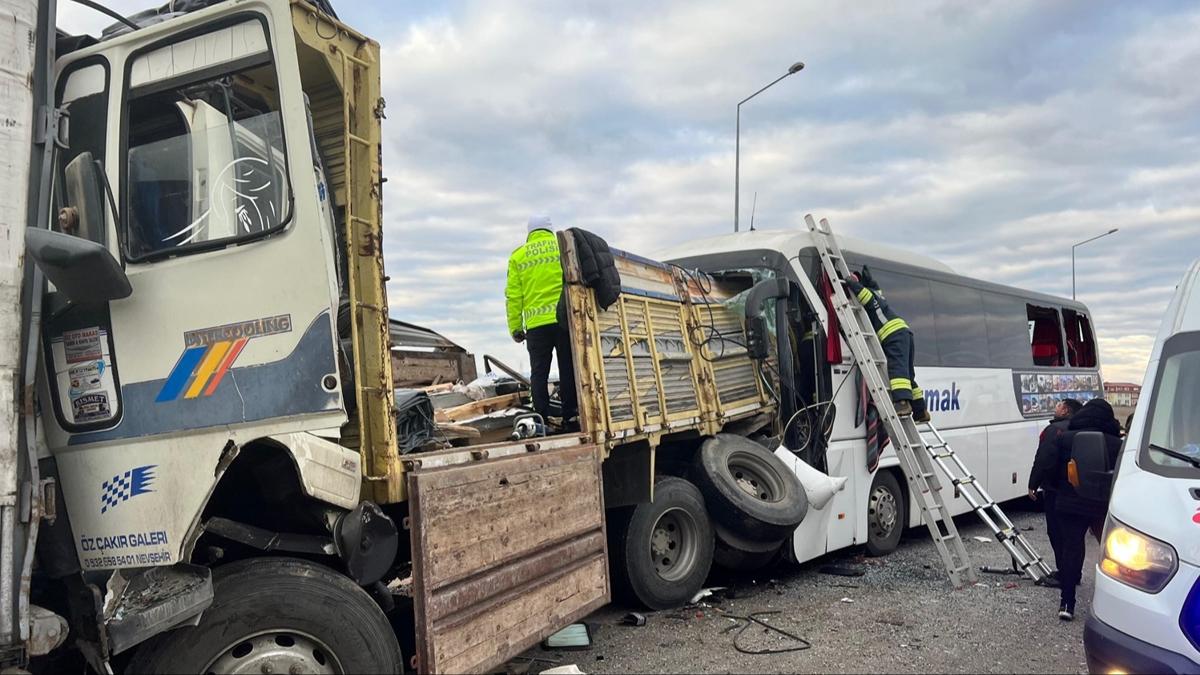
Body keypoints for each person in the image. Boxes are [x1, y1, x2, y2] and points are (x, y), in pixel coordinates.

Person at [1051, 398, 1122, 621]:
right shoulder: (1118, 444)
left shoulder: (1066, 439)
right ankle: (1112, 604)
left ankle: (1067, 602)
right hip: (1101, 505)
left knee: (1071, 550)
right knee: (1112, 552)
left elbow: (1054, 469)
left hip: (1070, 503)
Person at [505, 215, 577, 425]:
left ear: (529, 232)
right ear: (549, 229)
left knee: (539, 373)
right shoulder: (562, 247)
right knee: (567, 369)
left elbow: (513, 296)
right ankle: (570, 415)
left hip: (536, 327)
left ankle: (540, 418)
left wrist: (516, 328)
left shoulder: (518, 256)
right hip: (564, 321)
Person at [846, 267, 929, 422]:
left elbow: (865, 297)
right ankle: (921, 411)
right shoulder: (878, 295)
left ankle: (902, 404)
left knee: (897, 369)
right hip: (905, 332)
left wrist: (852, 284)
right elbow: (875, 289)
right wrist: (869, 281)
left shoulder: (870, 296)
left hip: (893, 334)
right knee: (908, 374)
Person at [1027, 397, 1083, 586]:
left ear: (1066, 411)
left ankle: (1065, 574)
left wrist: (1033, 482)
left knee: (1057, 532)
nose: (1056, 407)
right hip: (1077, 490)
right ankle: (1074, 573)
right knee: (1074, 535)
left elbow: (1044, 458)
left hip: (1055, 489)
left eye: (1059, 405)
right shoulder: (1081, 430)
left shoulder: (1053, 430)